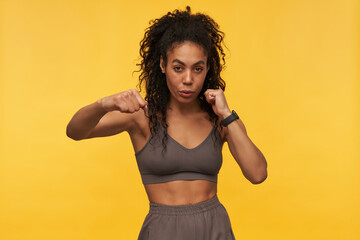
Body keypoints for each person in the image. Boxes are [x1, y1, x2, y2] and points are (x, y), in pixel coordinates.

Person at [66, 6, 267, 240]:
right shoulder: (142, 117)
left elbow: (258, 174)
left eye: (198, 69)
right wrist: (103, 104)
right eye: (178, 68)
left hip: (215, 229)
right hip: (163, 231)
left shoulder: (221, 119)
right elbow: (75, 131)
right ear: (163, 65)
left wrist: (226, 114)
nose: (188, 79)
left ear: (207, 69)